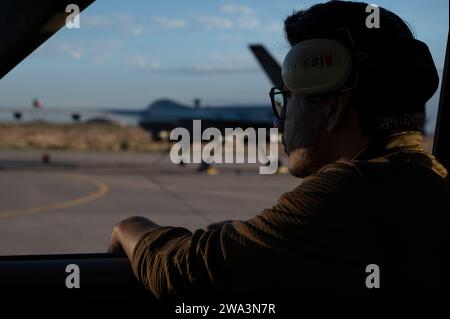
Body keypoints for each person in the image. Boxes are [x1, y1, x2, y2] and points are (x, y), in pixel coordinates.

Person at [108, 1, 448, 299]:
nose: (279, 122)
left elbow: (185, 273)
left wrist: (130, 226)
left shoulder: (349, 191)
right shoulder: (427, 177)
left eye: (288, 100)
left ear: (332, 110)